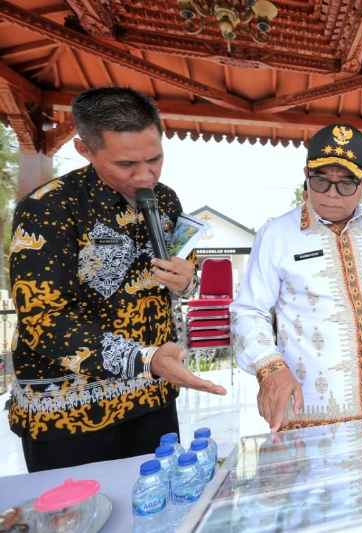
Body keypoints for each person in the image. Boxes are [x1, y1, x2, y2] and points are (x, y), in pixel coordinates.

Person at [8, 87, 226, 472]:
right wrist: (143, 359)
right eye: (126, 164)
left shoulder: (166, 200)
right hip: (70, 411)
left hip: (153, 398)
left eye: (155, 159)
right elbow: (44, 322)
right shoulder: (48, 208)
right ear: (85, 149)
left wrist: (186, 282)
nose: (145, 175)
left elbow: (181, 280)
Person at [231, 124, 362, 432]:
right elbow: (249, 310)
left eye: (346, 183)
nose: (332, 194)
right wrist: (269, 366)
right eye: (321, 180)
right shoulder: (277, 234)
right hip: (311, 417)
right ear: (306, 176)